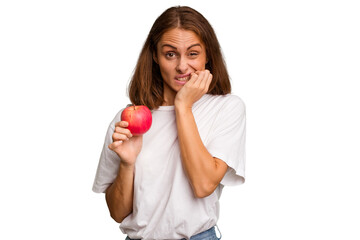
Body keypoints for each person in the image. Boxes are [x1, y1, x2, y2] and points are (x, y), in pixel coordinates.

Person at [93, 6, 246, 240]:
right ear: (155, 56)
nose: (182, 66)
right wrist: (127, 164)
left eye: (193, 54)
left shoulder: (226, 108)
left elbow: (203, 185)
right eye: (170, 54)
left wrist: (183, 106)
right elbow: (117, 212)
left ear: (208, 56)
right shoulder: (126, 119)